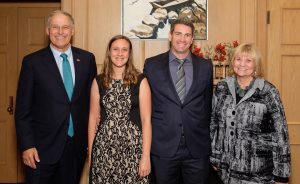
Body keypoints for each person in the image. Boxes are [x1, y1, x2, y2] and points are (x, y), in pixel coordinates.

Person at [15, 10, 97, 184]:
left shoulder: (87, 59)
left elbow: (92, 105)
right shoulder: (32, 62)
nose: (60, 32)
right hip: (40, 149)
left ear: (73, 31)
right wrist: (27, 145)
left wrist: (92, 140)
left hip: (75, 147)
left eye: (65, 27)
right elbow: (22, 110)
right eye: (55, 27)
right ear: (47, 30)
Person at [143, 18, 213, 184]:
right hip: (163, 146)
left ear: (192, 39)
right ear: (170, 36)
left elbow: (207, 105)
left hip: (196, 147)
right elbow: (147, 106)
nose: (183, 39)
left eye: (187, 35)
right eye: (178, 34)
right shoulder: (152, 65)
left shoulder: (205, 66)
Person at [210, 43, 291, 184]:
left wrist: (282, 175)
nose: (242, 64)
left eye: (248, 60)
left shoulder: (268, 92)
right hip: (226, 171)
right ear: (232, 61)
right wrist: (214, 156)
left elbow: (280, 134)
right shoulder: (222, 87)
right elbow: (214, 124)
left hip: (258, 173)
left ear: (256, 65)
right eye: (238, 59)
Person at [88, 35, 152, 183]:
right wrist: (91, 154)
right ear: (109, 53)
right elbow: (92, 119)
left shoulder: (140, 81)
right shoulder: (98, 81)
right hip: (103, 150)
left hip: (133, 151)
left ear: (129, 54)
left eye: (124, 50)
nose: (120, 53)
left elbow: (146, 121)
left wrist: (145, 157)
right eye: (115, 49)